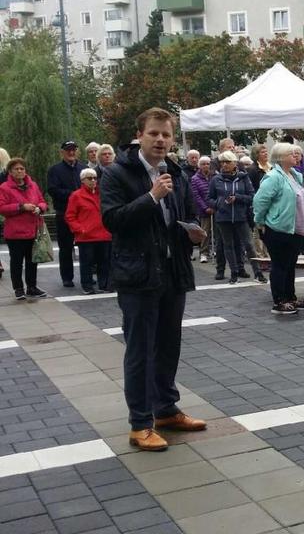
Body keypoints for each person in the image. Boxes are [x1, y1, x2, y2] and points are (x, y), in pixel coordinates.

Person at [100, 107, 208, 452]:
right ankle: (140, 423)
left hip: (172, 272)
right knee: (141, 351)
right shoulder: (117, 173)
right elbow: (113, 221)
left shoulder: (175, 172)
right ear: (139, 136)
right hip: (138, 275)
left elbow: (186, 215)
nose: (161, 140)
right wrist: (151, 197)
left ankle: (165, 410)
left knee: (168, 347)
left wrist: (193, 233)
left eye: (166, 134)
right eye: (154, 134)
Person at [253, 143, 304, 315]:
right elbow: (260, 201)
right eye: (291, 154)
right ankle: (279, 301)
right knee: (279, 265)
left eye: (296, 153)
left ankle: (290, 297)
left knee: (290, 264)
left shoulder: (294, 175)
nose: (296, 156)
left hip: (295, 229)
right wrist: (260, 222)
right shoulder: (273, 177)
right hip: (278, 228)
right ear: (280, 157)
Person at [208, 151, 264, 284]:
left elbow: (252, 196)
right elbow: (209, 198)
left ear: (235, 163)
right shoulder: (216, 179)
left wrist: (237, 198)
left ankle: (257, 272)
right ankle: (234, 273)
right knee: (228, 245)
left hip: (241, 217)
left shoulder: (243, 177)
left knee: (249, 245)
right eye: (222, 162)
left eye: (227, 162)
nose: (224, 165)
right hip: (223, 218)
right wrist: (219, 202)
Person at [0, 158, 49, 299]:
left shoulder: (32, 185)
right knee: (16, 262)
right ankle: (18, 288)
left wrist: (40, 208)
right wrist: (21, 207)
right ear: (10, 171)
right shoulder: (4, 188)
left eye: (22, 168)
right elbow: (2, 208)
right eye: (16, 169)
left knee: (32, 261)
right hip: (15, 233)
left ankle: (32, 287)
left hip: (33, 229)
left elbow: (42, 201)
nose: (20, 171)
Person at [64, 168, 111, 294]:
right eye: (89, 178)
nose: (93, 181)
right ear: (82, 181)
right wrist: (80, 229)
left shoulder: (102, 194)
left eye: (95, 178)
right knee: (86, 263)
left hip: (103, 234)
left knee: (104, 262)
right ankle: (87, 285)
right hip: (86, 236)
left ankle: (104, 284)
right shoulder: (76, 196)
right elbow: (70, 216)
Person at [48, 140, 86, 288]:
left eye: (73, 150)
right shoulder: (55, 170)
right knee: (65, 248)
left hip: (83, 215)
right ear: (62, 152)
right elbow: (53, 190)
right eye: (68, 150)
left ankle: (86, 275)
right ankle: (67, 277)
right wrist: (75, 195)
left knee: (86, 247)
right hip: (64, 214)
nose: (71, 152)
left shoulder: (83, 168)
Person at [190, 157, 215, 264]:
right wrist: (205, 208)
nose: (206, 166)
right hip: (204, 210)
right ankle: (203, 252)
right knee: (205, 231)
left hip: (215, 207)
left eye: (208, 163)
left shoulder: (214, 176)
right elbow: (196, 196)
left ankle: (215, 251)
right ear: (199, 166)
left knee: (217, 231)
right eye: (203, 164)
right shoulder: (195, 178)